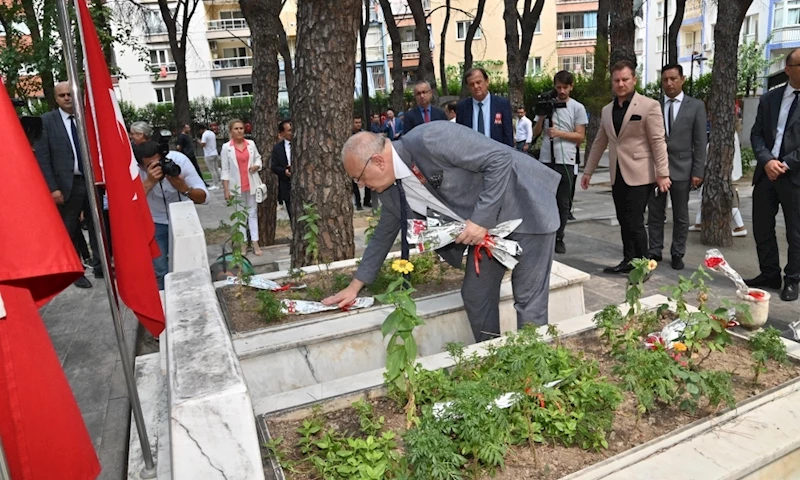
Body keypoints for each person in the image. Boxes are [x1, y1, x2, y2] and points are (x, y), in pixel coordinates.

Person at [323, 122, 561, 342]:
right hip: (490, 233)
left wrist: (480, 219)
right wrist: (355, 286)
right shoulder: (391, 191)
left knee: (528, 301)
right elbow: (382, 236)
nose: (361, 186)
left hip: (525, 206)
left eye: (360, 178)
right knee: (476, 295)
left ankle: (536, 374)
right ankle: (494, 355)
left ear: (378, 161)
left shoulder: (430, 138)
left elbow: (499, 159)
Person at [582, 60, 670, 275]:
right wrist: (588, 171)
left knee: (635, 221)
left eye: (625, 79)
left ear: (634, 80)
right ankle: (628, 260)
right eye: (616, 80)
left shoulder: (649, 105)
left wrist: (663, 173)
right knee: (623, 220)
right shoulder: (606, 110)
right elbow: (599, 142)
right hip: (617, 173)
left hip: (641, 173)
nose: (620, 84)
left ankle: (643, 267)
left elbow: (658, 141)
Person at [34, 81, 101, 289]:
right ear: (56, 98)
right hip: (65, 185)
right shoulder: (46, 121)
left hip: (92, 182)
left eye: (70, 94)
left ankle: (100, 266)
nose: (66, 98)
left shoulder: (88, 118)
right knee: (69, 229)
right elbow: (43, 158)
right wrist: (52, 188)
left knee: (98, 225)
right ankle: (75, 271)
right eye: (62, 95)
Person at [747, 47, 800, 301]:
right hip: (766, 174)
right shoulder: (770, 99)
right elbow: (756, 134)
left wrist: (786, 163)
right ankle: (769, 273)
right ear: (788, 69)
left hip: (794, 176)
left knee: (795, 232)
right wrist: (767, 160)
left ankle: (792, 279)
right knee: (762, 226)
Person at [646, 64, 707, 270]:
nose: (669, 83)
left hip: (683, 167)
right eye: (665, 80)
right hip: (656, 168)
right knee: (655, 212)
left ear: (682, 79)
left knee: (681, 215)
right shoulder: (653, 105)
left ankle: (677, 252)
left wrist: (698, 171)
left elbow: (700, 141)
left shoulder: (696, 106)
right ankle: (655, 250)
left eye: (673, 78)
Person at [133, 139, 208, 290]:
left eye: (160, 162)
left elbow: (205, 198)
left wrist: (184, 188)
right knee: (160, 269)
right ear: (140, 166)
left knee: (192, 265)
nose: (159, 168)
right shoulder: (134, 170)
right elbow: (129, 204)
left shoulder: (179, 161)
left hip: (184, 219)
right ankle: (165, 302)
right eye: (151, 166)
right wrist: (149, 182)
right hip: (156, 222)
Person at [533, 71, 588, 255]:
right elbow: (535, 133)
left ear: (571, 86)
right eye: (558, 87)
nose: (562, 91)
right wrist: (541, 116)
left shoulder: (577, 108)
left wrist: (559, 134)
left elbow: (580, 136)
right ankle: (545, 233)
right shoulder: (547, 104)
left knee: (563, 202)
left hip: (567, 160)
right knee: (544, 199)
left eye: (565, 87)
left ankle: (559, 236)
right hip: (546, 159)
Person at [690, 126, 747, 236]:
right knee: (704, 195)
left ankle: (740, 226)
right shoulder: (727, 131)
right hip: (722, 171)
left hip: (724, 172)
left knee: (730, 199)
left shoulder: (726, 132)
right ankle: (698, 222)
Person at [221, 118, 264, 256]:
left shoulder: (250, 144)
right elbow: (225, 170)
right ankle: (243, 243)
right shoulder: (227, 148)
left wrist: (256, 166)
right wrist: (226, 189)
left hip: (251, 183)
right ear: (231, 131)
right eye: (236, 129)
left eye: (241, 128)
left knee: (252, 214)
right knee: (240, 216)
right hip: (236, 186)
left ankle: (255, 242)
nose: (239, 131)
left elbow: (258, 158)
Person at [456, 67, 514, 147]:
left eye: (478, 82)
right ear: (468, 87)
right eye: (471, 84)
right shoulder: (462, 107)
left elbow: (508, 135)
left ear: (487, 82)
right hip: (471, 155)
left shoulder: (502, 104)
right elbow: (460, 136)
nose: (476, 86)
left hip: (496, 155)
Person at [271, 120, 293, 221]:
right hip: (287, 185)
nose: (292, 132)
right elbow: (274, 166)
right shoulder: (277, 148)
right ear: (282, 133)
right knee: (292, 213)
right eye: (289, 130)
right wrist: (284, 171)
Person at [351, 116, 371, 209]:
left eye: (359, 122)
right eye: (356, 122)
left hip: (364, 160)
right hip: (353, 161)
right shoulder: (349, 134)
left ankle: (367, 200)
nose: (358, 124)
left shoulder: (363, 133)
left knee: (367, 181)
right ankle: (358, 203)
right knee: (355, 184)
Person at [199, 124, 221, 190]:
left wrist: (199, 142)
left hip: (208, 154)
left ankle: (215, 184)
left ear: (201, 129)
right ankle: (220, 182)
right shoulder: (212, 133)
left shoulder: (204, 134)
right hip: (215, 152)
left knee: (212, 170)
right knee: (216, 168)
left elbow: (203, 144)